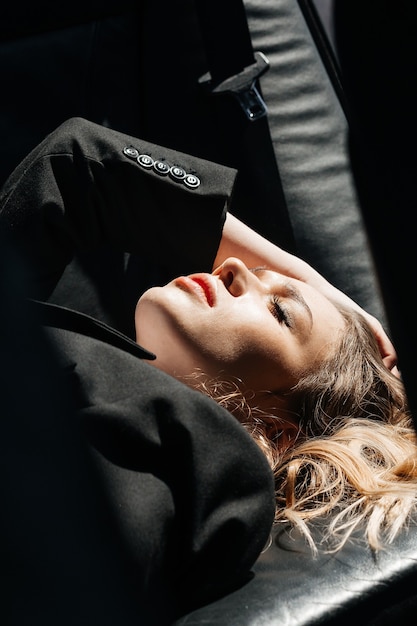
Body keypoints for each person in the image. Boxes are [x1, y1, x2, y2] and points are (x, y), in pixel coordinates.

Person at [0, 117, 416, 619]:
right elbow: (77, 161)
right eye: (262, 276)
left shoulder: (195, 461)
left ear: (277, 430)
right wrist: (306, 274)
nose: (233, 267)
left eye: (279, 312)